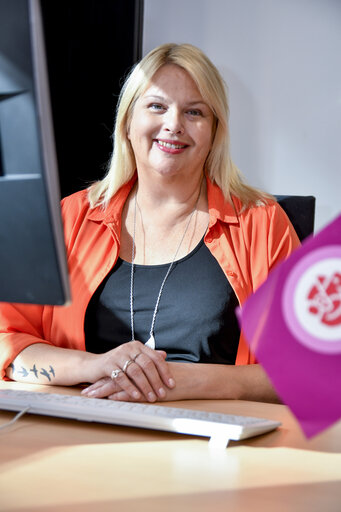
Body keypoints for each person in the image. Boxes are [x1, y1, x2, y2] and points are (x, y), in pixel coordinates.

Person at [0, 43, 299, 403]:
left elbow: (307, 370)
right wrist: (93, 366)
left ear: (214, 133)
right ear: (127, 123)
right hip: (83, 437)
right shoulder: (69, 218)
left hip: (213, 448)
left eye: (195, 112)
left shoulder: (262, 224)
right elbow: (8, 344)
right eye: (157, 106)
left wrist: (195, 380)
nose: (173, 125)